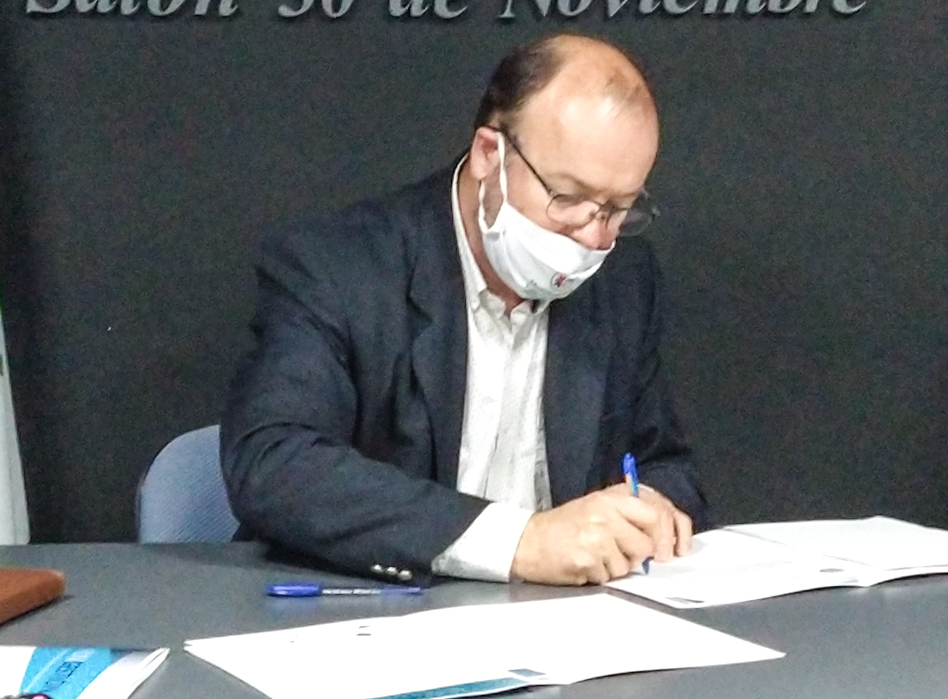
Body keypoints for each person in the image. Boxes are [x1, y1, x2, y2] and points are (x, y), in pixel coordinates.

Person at [222, 34, 705, 584]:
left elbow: (665, 463)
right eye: (567, 198)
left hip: (561, 619)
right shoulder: (339, 265)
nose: (594, 236)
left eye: (618, 208)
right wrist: (520, 542)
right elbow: (274, 462)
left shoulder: (622, 281)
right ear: (489, 156)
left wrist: (652, 506)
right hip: (373, 609)